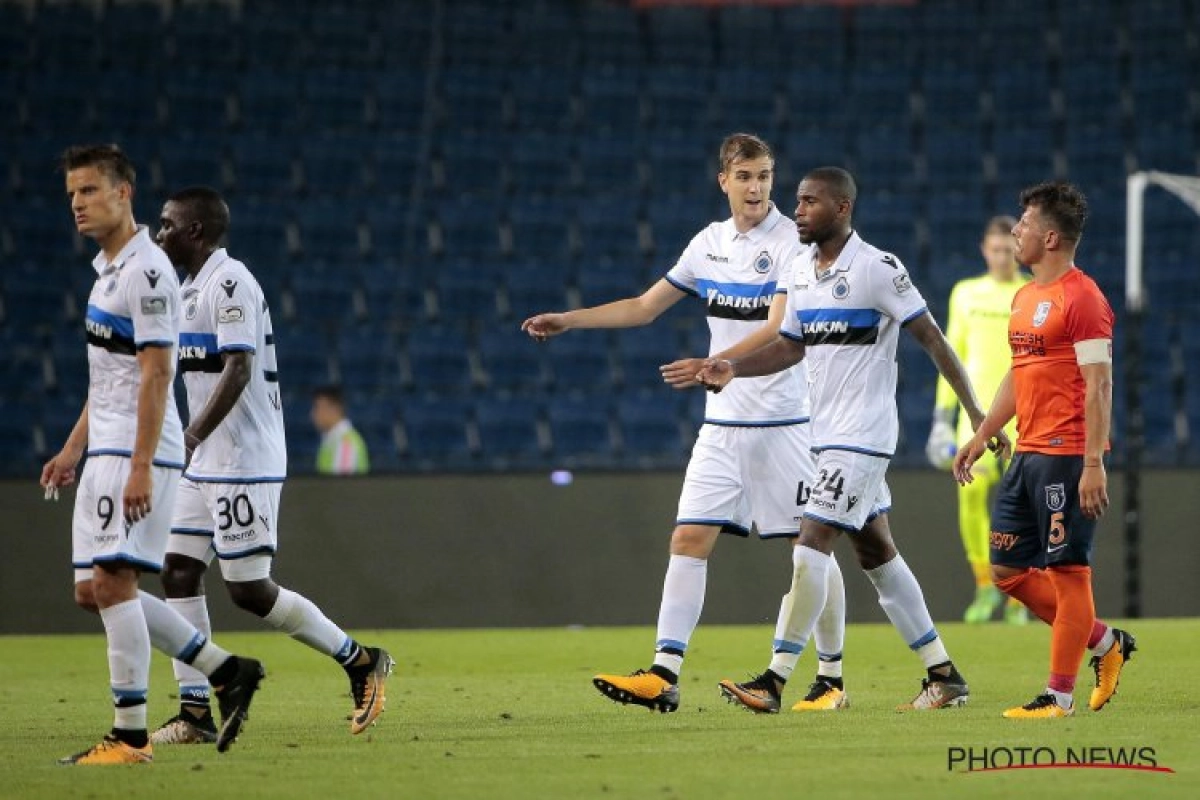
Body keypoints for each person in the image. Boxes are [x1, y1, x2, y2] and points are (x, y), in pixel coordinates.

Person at [522, 133, 849, 713]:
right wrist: (570, 320)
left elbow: (779, 325)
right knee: (688, 539)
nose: (757, 187)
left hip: (785, 422)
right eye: (745, 176)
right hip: (721, 426)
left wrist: (722, 363)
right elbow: (645, 307)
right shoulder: (708, 245)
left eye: (766, 176)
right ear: (723, 180)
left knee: (811, 548)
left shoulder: (792, 242)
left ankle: (830, 679)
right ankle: (663, 673)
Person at [698, 166, 1008, 710]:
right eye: (797, 201)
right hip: (824, 438)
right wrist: (734, 367)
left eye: (810, 201)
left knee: (809, 544)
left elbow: (935, 342)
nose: (798, 210)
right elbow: (790, 347)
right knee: (878, 555)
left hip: (862, 439)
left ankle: (773, 680)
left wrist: (979, 417)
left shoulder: (877, 269)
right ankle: (945, 675)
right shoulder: (798, 270)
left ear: (842, 208)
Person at [41, 145, 264, 765]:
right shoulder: (107, 270)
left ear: (123, 194)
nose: (78, 205)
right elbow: (108, 375)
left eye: (89, 191)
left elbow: (157, 372)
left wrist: (141, 463)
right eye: (71, 195)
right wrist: (71, 447)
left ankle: (130, 734)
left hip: (136, 451)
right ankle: (225, 669)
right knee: (92, 591)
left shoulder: (146, 271)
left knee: (115, 582)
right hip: (104, 448)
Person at [151, 187, 393, 744]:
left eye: (167, 225)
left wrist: (189, 435)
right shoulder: (184, 290)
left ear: (195, 232)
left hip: (243, 461)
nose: (159, 233)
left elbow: (238, 369)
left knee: (248, 590)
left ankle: (359, 660)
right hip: (205, 460)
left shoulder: (229, 281)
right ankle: (194, 713)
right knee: (178, 569)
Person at [954, 182, 1136, 719]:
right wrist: (984, 431)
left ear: (1050, 237)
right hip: (1027, 452)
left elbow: (1099, 384)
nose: (1015, 231)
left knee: (1069, 572)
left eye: (1025, 224)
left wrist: (1094, 462)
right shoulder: (1025, 297)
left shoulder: (1083, 299)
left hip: (1068, 453)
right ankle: (1104, 643)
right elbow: (1020, 372)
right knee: (1007, 569)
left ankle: (1058, 696)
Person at [926, 216, 1030, 624]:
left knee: (1025, 504)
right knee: (971, 497)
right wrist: (941, 418)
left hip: (1024, 413)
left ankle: (1021, 597)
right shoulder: (965, 294)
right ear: (985, 250)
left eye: (1009, 250)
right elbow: (953, 356)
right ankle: (986, 587)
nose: (1003, 257)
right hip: (976, 414)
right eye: (996, 249)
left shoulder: (1031, 292)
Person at [312, 385, 370, 475]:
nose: (313, 414)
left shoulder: (346, 443)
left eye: (317, 407)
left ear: (334, 409)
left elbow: (342, 487)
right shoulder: (331, 440)